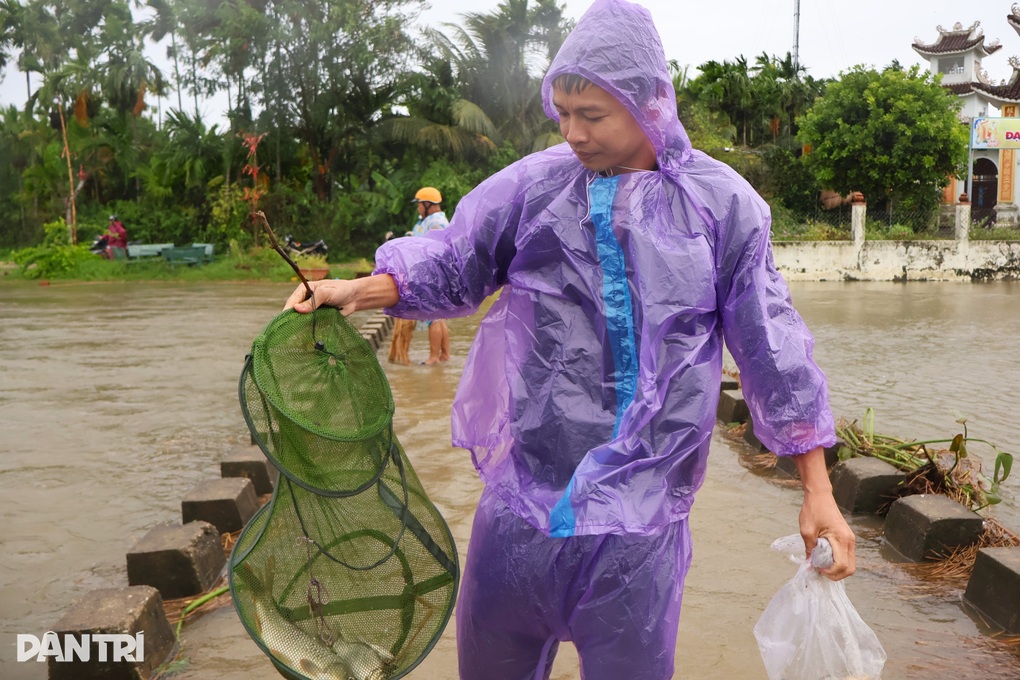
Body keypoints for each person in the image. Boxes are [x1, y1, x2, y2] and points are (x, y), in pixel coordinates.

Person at [286, 1, 855, 678]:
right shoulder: (535, 187)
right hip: (521, 506)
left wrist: (817, 490)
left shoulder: (722, 208)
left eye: (592, 115)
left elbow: (774, 351)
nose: (573, 133)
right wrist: (356, 289)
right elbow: (453, 262)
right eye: (562, 113)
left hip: (637, 531)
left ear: (650, 104)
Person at [410, 187, 451, 366]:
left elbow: (433, 250)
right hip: (437, 274)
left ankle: (434, 357)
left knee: (432, 317)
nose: (418, 208)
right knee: (439, 317)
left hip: (433, 275)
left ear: (428, 204)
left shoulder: (435, 223)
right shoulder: (432, 220)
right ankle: (445, 355)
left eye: (419, 204)